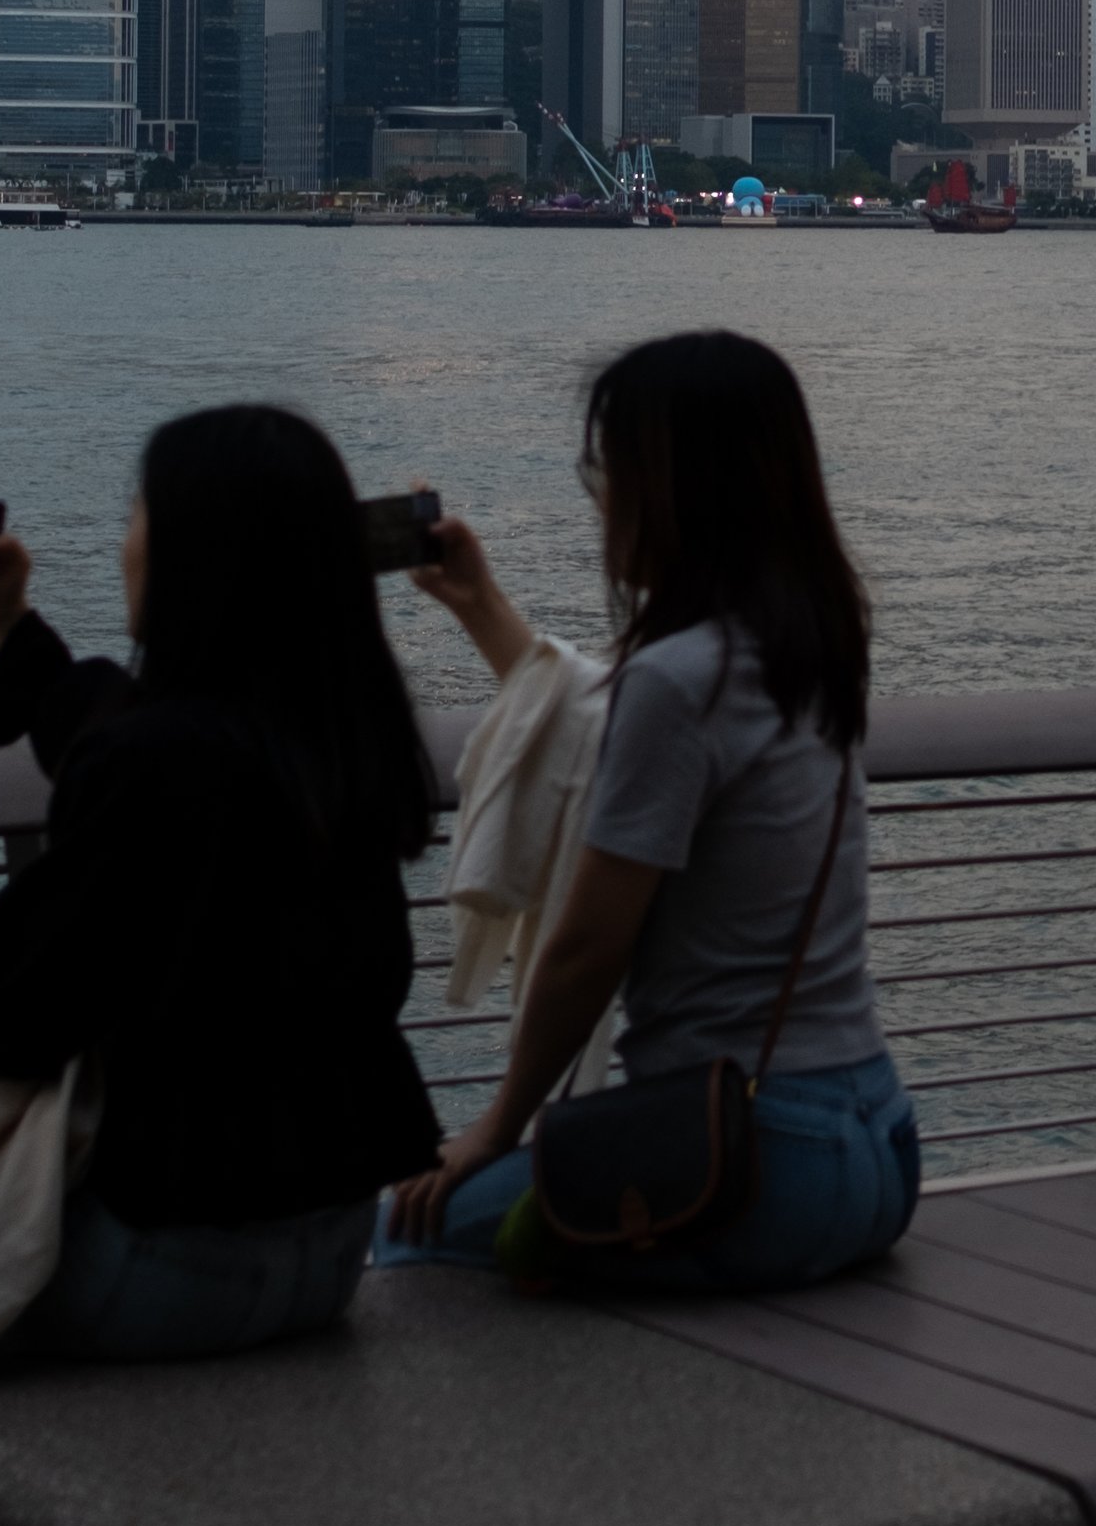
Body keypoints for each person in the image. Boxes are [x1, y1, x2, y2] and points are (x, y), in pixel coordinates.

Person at [0, 407, 442, 1363]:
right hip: (331, 1254)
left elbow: (25, 1012)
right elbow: (147, 745)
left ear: (193, 554)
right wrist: (13, 628)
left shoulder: (153, 761)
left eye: (137, 516)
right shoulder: (350, 742)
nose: (125, 544)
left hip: (172, 1260)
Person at [383, 328, 917, 1288]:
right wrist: (479, 606)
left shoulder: (677, 680)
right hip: (875, 1139)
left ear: (676, 488)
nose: (599, 497)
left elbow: (589, 948)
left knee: (410, 1235)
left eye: (609, 469)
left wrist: (496, 1127)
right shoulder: (807, 644)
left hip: (757, 1159)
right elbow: (598, 728)